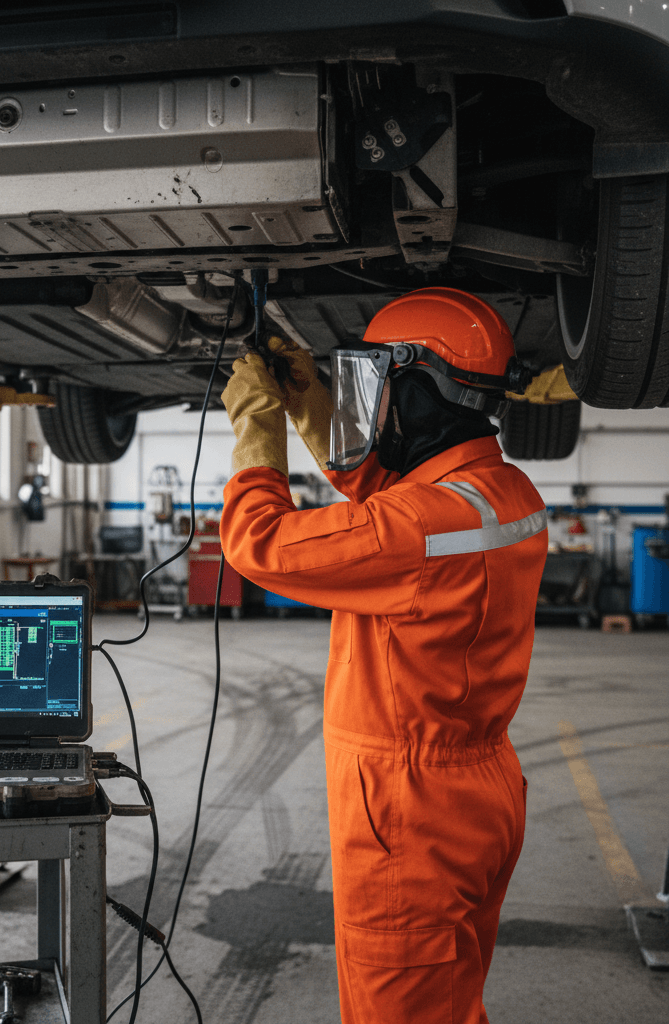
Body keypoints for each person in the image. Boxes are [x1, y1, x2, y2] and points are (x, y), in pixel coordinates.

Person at [219, 287, 548, 1024]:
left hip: (410, 817)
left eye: (377, 386)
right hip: (479, 794)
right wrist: (312, 403)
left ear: (423, 393)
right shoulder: (500, 493)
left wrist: (257, 426)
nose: (364, 404)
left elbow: (259, 544)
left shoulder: (418, 530)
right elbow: (388, 504)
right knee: (449, 1002)